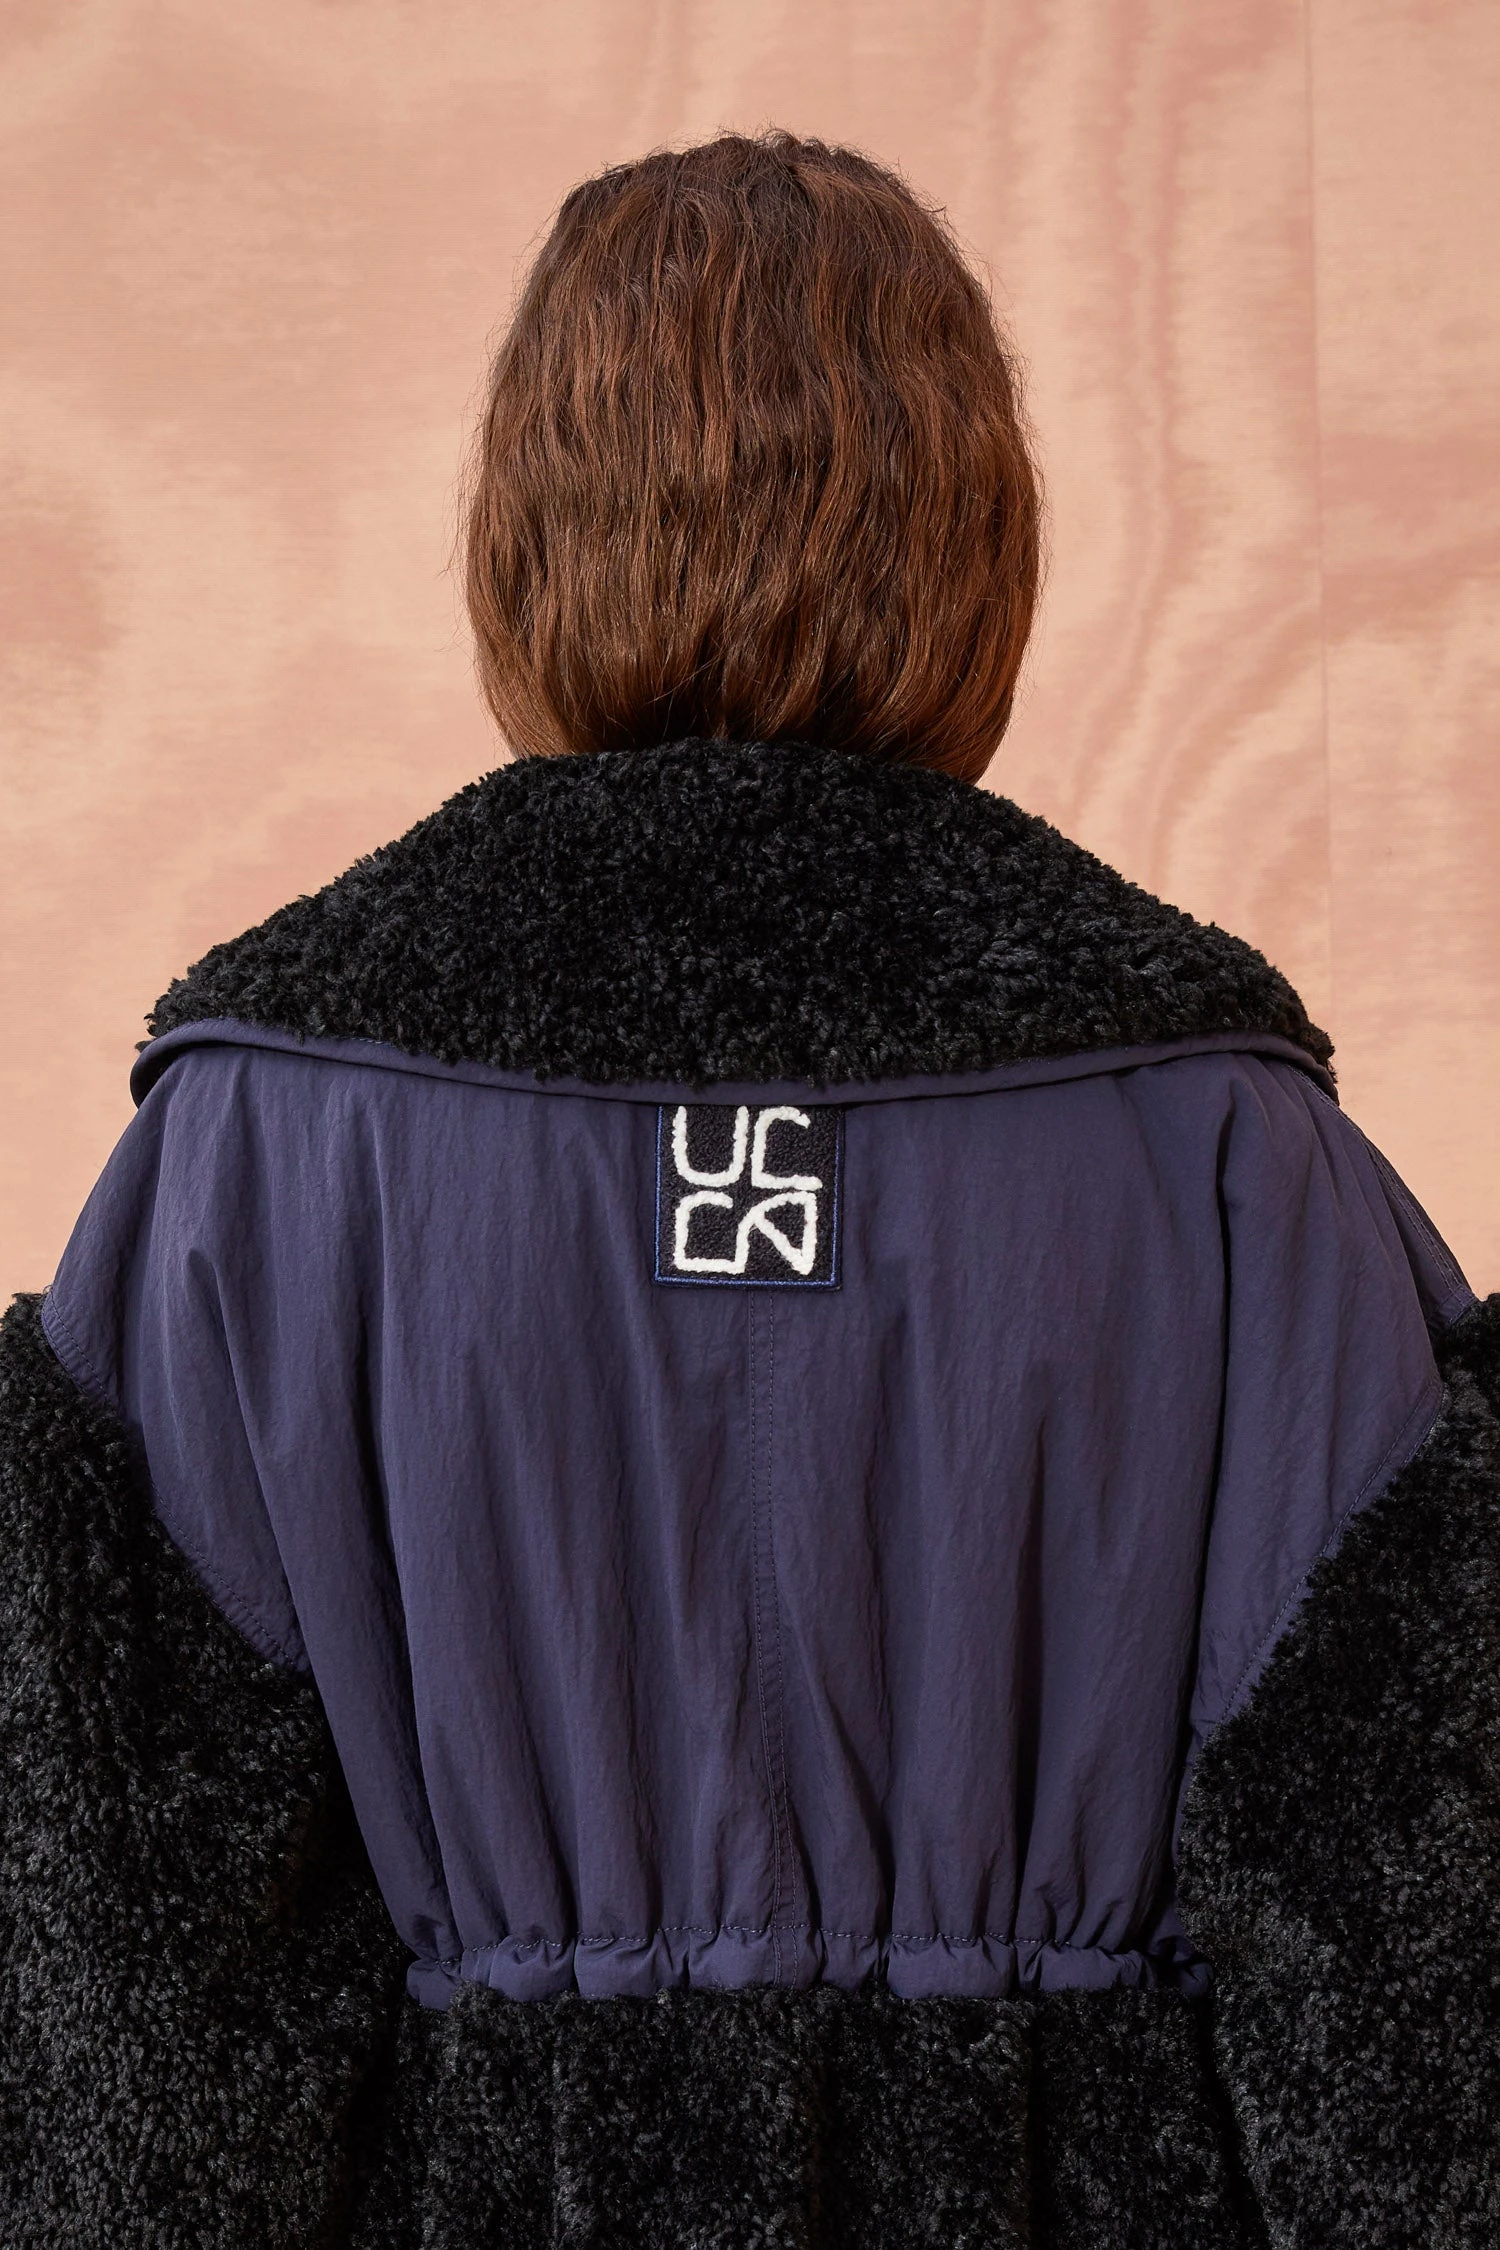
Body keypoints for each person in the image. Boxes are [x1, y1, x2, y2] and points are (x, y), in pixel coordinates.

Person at [1, 128, 1495, 2250]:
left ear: (526, 525)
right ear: (980, 540)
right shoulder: (1235, 1149)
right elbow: (1417, 2041)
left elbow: (123, 2073)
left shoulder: (248, 1156)